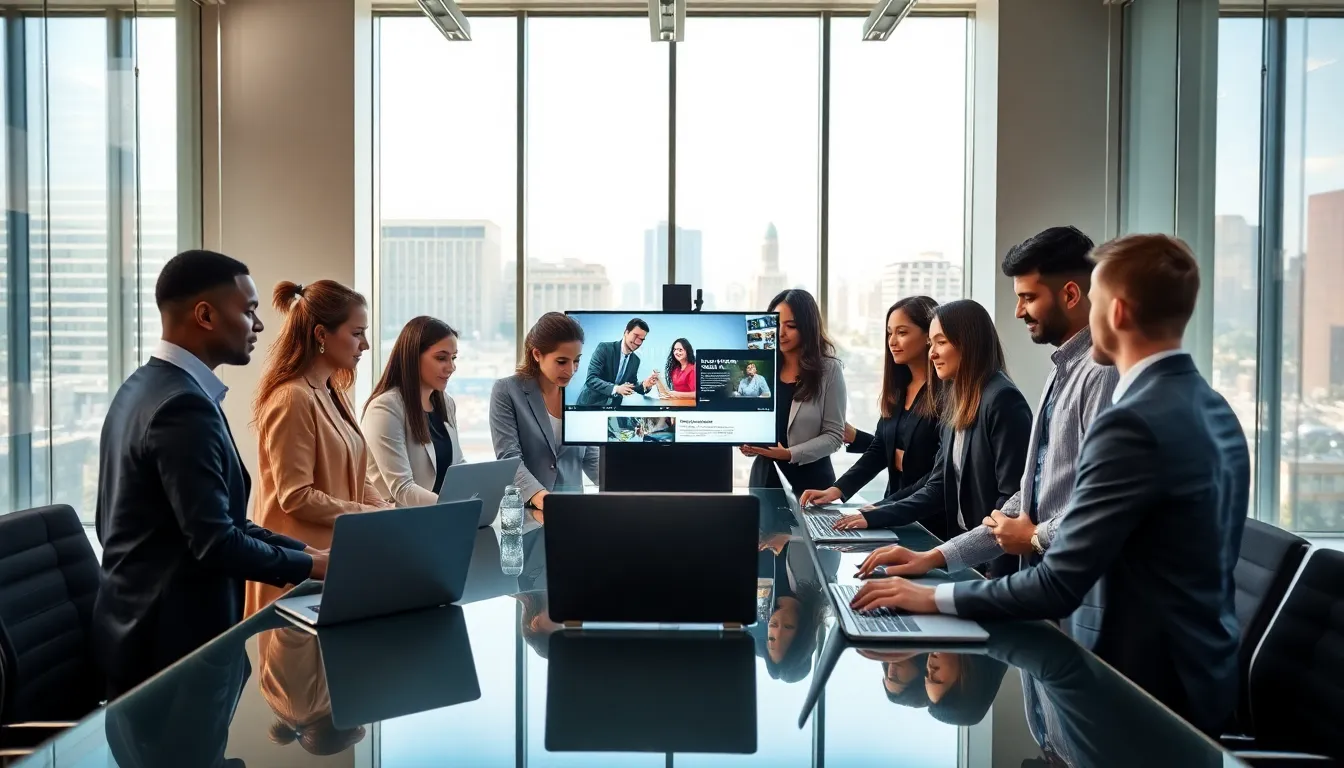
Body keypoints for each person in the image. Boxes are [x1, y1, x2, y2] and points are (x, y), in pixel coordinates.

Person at [851, 234, 1250, 736]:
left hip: (1140, 693)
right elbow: (1036, 496)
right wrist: (941, 559)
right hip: (1194, 681)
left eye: (1096, 300)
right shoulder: (1216, 409)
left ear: (1117, 311)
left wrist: (929, 598)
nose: (1020, 312)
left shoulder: (1130, 419)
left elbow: (1059, 581)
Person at [93, 250, 323, 698]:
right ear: (205, 314)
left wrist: (306, 551)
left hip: (156, 640)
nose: (258, 326)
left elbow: (223, 521)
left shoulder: (145, 386)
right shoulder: (183, 406)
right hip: (170, 660)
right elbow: (216, 542)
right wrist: (313, 565)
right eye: (249, 311)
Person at [857, 227, 1118, 577]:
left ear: (1070, 295)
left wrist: (1033, 540)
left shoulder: (1099, 374)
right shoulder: (1060, 371)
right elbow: (1026, 496)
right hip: (1029, 574)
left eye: (1028, 297)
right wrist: (936, 556)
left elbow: (1101, 507)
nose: (1018, 312)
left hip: (1061, 586)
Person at [833, 299, 1031, 575]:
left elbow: (1012, 503)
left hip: (992, 559)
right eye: (931, 344)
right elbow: (938, 485)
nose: (932, 354)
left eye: (941, 342)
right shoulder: (956, 397)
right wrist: (874, 515)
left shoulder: (1002, 399)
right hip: (960, 548)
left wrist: (992, 572)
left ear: (968, 343)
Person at [247, 279, 389, 617]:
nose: (365, 345)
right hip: (300, 574)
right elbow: (295, 496)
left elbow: (356, 472)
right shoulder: (293, 397)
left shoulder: (333, 392)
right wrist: (373, 516)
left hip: (335, 562)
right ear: (322, 334)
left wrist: (387, 510)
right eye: (357, 333)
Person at [800, 296, 943, 532]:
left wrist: (882, 508)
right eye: (889, 333)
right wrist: (835, 490)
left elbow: (937, 475)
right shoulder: (898, 390)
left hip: (930, 519)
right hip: (893, 514)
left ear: (929, 336)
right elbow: (878, 449)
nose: (892, 342)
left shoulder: (945, 393)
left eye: (902, 332)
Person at [490, 312, 600, 512]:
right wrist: (544, 500)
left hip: (572, 513)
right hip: (527, 513)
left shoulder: (581, 396)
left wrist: (628, 495)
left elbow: (591, 459)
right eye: (561, 361)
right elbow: (509, 458)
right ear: (537, 355)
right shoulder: (507, 391)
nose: (571, 370)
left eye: (576, 360)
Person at [744, 289, 847, 492]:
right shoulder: (762, 366)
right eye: (775, 324)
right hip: (765, 478)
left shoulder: (829, 369)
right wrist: (749, 443)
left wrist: (790, 454)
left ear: (807, 327)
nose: (781, 332)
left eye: (790, 326)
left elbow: (834, 436)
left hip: (813, 482)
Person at [362, 316, 465, 507]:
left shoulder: (446, 403)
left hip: (440, 518)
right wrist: (456, 506)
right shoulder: (385, 408)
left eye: (453, 358)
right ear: (412, 356)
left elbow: (457, 467)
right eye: (441, 358)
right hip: (400, 522)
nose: (451, 367)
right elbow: (402, 488)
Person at [575, 317, 658, 406]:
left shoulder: (635, 360)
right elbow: (591, 379)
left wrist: (645, 385)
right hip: (590, 405)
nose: (638, 342)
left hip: (613, 408)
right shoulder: (605, 348)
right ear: (626, 332)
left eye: (641, 339)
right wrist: (616, 389)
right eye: (636, 336)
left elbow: (631, 384)